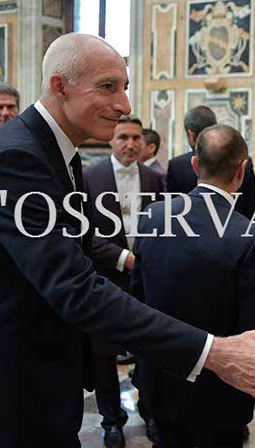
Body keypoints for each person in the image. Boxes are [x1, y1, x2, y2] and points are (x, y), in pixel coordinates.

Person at [0, 33, 255, 448]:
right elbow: (75, 287)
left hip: (45, 378)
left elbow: (81, 254)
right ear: (60, 86)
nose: (125, 104)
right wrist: (211, 351)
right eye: (108, 87)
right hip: (12, 387)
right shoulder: (16, 157)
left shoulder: (57, 152)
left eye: (125, 87)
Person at [132, 124, 255, 448]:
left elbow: (137, 297)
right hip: (222, 390)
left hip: (160, 379)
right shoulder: (250, 236)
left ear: (195, 165)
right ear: (242, 170)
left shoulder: (153, 216)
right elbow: (252, 325)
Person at [83, 115, 165, 447]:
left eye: (135, 138)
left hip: (146, 278)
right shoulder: (90, 177)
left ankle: (151, 411)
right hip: (105, 276)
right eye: (123, 138)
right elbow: (84, 233)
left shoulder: (155, 178)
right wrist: (123, 258)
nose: (130, 144)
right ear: (111, 140)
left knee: (149, 349)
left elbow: (163, 225)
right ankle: (111, 420)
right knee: (103, 354)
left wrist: (147, 259)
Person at [167, 106, 255, 219]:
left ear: (191, 134)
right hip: (235, 227)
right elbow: (252, 209)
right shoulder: (243, 162)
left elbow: (171, 209)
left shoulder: (176, 165)